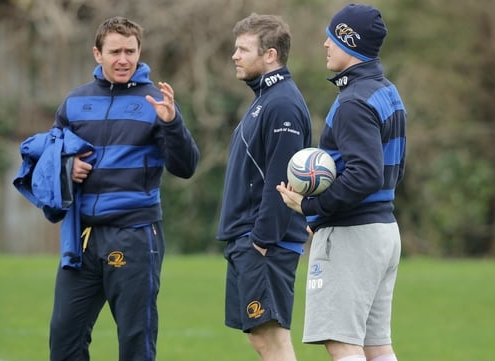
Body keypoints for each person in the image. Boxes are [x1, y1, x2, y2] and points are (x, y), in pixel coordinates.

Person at [45, 16, 200, 361]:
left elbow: (186, 166)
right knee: (63, 340)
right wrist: (67, 167)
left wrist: (172, 123)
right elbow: (48, 158)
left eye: (130, 51)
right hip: (82, 236)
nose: (123, 59)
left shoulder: (155, 101)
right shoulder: (74, 102)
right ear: (97, 54)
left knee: (135, 342)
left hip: (135, 233)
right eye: (115, 51)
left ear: (139, 52)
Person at [276, 4, 407, 361]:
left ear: (350, 42)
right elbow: (393, 170)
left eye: (333, 37)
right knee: (376, 345)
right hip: (383, 232)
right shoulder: (386, 91)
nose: (325, 44)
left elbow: (365, 174)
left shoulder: (353, 102)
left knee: (342, 343)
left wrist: (311, 207)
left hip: (352, 235)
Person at [216, 13, 312, 361]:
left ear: (270, 55)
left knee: (272, 341)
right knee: (263, 340)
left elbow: (281, 179)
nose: (235, 55)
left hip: (264, 244)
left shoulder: (282, 103)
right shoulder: (264, 100)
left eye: (243, 49)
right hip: (252, 240)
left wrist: (261, 240)